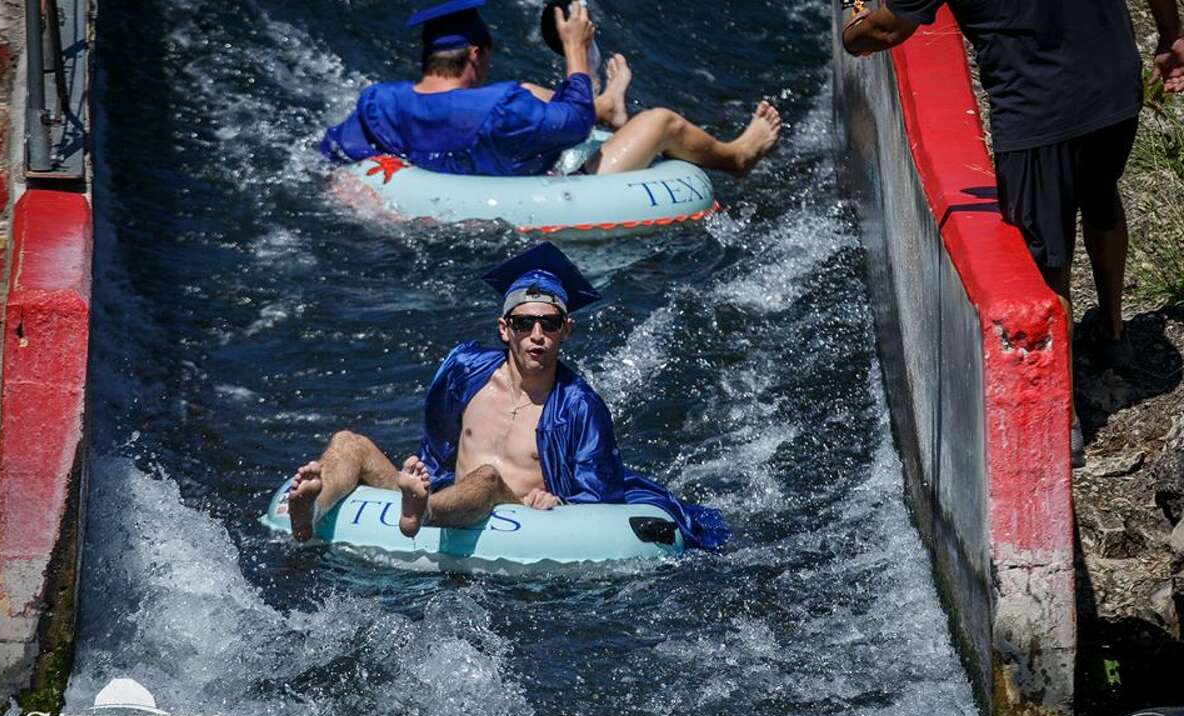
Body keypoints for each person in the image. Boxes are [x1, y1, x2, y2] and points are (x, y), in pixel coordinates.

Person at [841, 0, 1184, 466]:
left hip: (1038, 110)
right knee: (1101, 195)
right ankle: (1113, 333)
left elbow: (883, 33)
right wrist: (1169, 35)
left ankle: (1064, 423)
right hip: (1115, 86)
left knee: (1046, 262)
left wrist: (850, 21)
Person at [286, 242, 730, 550]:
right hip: (444, 497)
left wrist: (562, 503)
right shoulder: (464, 371)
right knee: (350, 443)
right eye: (523, 324)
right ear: (505, 329)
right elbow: (438, 445)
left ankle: (420, 512)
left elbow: (601, 497)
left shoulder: (580, 405)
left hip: (512, 513)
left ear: (565, 331)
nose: (536, 335)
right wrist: (420, 476)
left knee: (487, 478)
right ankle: (311, 510)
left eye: (549, 324)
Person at [320, 0, 780, 178]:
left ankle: (607, 106)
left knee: (526, 90)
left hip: (457, 173)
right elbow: (572, 124)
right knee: (659, 120)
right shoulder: (501, 108)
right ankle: (734, 158)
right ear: (476, 56)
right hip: (555, 186)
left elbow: (331, 151)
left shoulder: (379, 103)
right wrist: (575, 50)